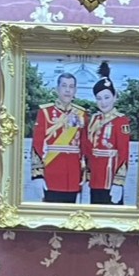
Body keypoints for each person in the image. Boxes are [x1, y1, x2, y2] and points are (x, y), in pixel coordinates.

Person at [29, 72, 86, 203]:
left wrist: (85, 175)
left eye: (71, 86)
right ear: (57, 89)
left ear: (75, 90)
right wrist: (37, 176)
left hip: (73, 177)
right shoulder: (45, 112)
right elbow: (37, 145)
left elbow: (84, 147)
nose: (67, 90)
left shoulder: (81, 114)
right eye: (64, 86)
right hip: (51, 174)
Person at [83, 61, 130, 205]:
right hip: (95, 179)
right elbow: (88, 149)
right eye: (99, 98)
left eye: (107, 97)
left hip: (111, 178)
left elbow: (123, 153)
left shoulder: (121, 121)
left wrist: (118, 183)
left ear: (115, 97)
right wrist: (87, 176)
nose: (103, 102)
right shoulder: (93, 119)